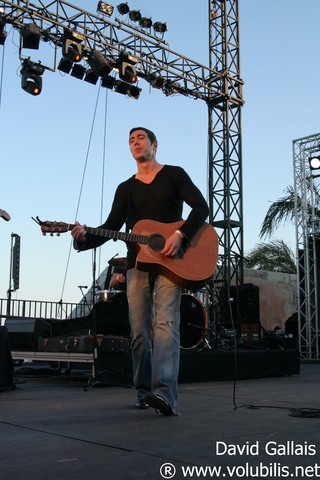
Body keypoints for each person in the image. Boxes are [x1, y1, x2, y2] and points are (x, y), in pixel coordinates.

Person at [71, 127, 209, 415]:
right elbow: (111, 227)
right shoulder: (126, 188)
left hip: (173, 263)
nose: (135, 142)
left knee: (166, 326)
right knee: (139, 333)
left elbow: (201, 208)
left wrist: (181, 235)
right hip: (137, 265)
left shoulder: (174, 175)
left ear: (155, 145)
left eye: (140, 138)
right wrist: (84, 238)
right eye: (131, 140)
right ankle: (144, 391)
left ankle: (165, 394)